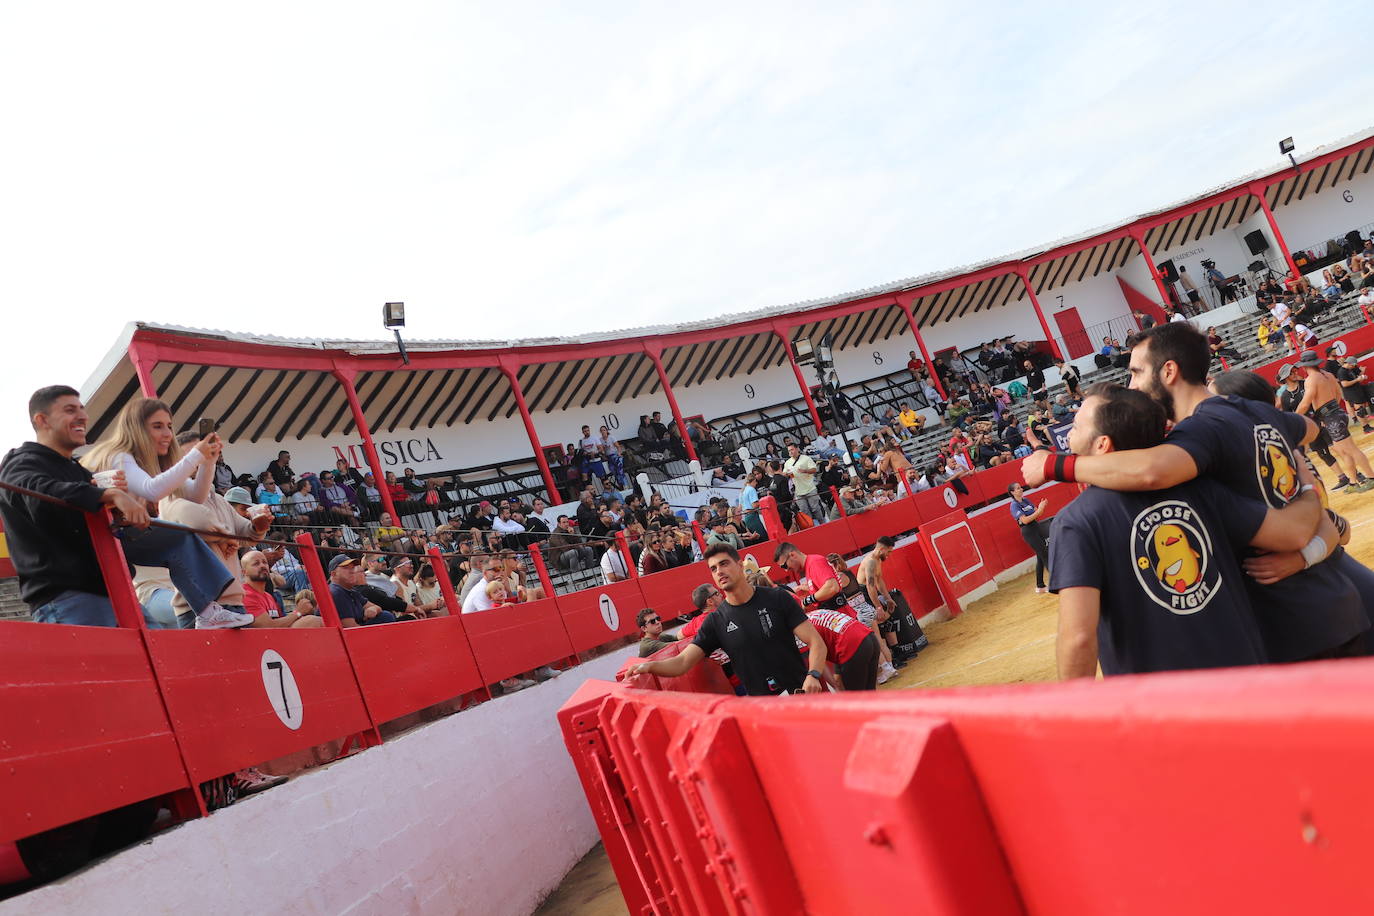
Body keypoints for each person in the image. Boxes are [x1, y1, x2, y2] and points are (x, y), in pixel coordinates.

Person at [1025, 323, 1369, 663]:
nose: (1131, 384)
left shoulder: (1200, 433)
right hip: (1336, 600)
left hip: (1291, 626)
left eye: (1136, 372)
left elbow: (1151, 470)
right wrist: (1306, 489)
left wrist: (1055, 466)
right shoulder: (1250, 410)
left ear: (1169, 371)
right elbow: (1307, 428)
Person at [1045, 384, 1329, 677]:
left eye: (1077, 426)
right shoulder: (1203, 489)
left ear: (1102, 445)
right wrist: (1308, 492)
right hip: (1249, 685)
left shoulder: (1075, 521)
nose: (1069, 433)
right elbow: (1290, 532)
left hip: (1162, 709)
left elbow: (1078, 638)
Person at [627, 544, 827, 695]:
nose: (719, 571)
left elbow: (816, 642)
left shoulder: (777, 598)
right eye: (713, 568)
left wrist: (814, 675)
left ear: (740, 566)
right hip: (764, 712)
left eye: (724, 564)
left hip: (801, 696)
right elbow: (682, 663)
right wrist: (649, 666)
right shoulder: (715, 621)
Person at [1293, 349, 1374, 492]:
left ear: (1304, 366)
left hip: (1331, 418)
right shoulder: (1328, 375)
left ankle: (1371, 477)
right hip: (1336, 413)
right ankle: (1353, 482)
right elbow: (1338, 394)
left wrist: (1294, 417)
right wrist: (1330, 412)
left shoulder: (1311, 379)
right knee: (1343, 451)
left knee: (1351, 450)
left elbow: (1306, 403)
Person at [241, 551, 323, 628]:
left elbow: (281, 623)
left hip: (276, 638)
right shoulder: (245, 595)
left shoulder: (269, 596)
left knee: (314, 621)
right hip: (261, 641)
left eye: (265, 562)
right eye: (256, 563)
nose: (262, 565)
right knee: (313, 621)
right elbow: (268, 626)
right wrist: (298, 612)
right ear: (244, 572)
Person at [774, 541, 852, 616]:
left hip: (842, 618)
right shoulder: (810, 565)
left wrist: (807, 600)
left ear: (792, 555)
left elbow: (832, 587)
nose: (786, 570)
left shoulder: (814, 562)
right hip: (837, 617)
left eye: (784, 565)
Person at [1008, 483, 1052, 594]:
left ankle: (1040, 586)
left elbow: (1038, 513)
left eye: (1020, 487)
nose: (1021, 489)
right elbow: (1025, 520)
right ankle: (1057, 582)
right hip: (1028, 531)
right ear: (1012, 492)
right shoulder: (1014, 505)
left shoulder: (1025, 500)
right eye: (1018, 488)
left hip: (1036, 527)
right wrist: (1038, 510)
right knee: (1045, 554)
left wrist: (1041, 507)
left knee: (1041, 556)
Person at [782, 443, 824, 521]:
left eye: (792, 449)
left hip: (810, 488)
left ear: (797, 449)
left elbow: (814, 470)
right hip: (798, 491)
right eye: (789, 450)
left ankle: (823, 524)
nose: (790, 452)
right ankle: (812, 528)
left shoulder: (806, 458)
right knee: (805, 512)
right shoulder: (787, 463)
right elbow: (784, 473)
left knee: (815, 509)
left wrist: (804, 471)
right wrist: (786, 474)